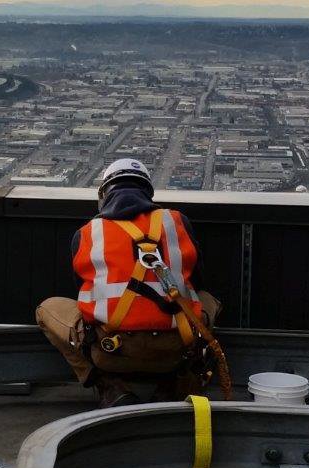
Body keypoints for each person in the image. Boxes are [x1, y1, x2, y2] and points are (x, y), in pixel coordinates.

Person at [36, 159, 222, 408]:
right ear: (148, 192)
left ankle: (109, 387)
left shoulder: (89, 232)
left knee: (46, 309)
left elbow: (83, 288)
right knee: (209, 301)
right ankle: (175, 384)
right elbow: (196, 281)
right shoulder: (177, 222)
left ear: (104, 194)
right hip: (176, 350)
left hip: (111, 350)